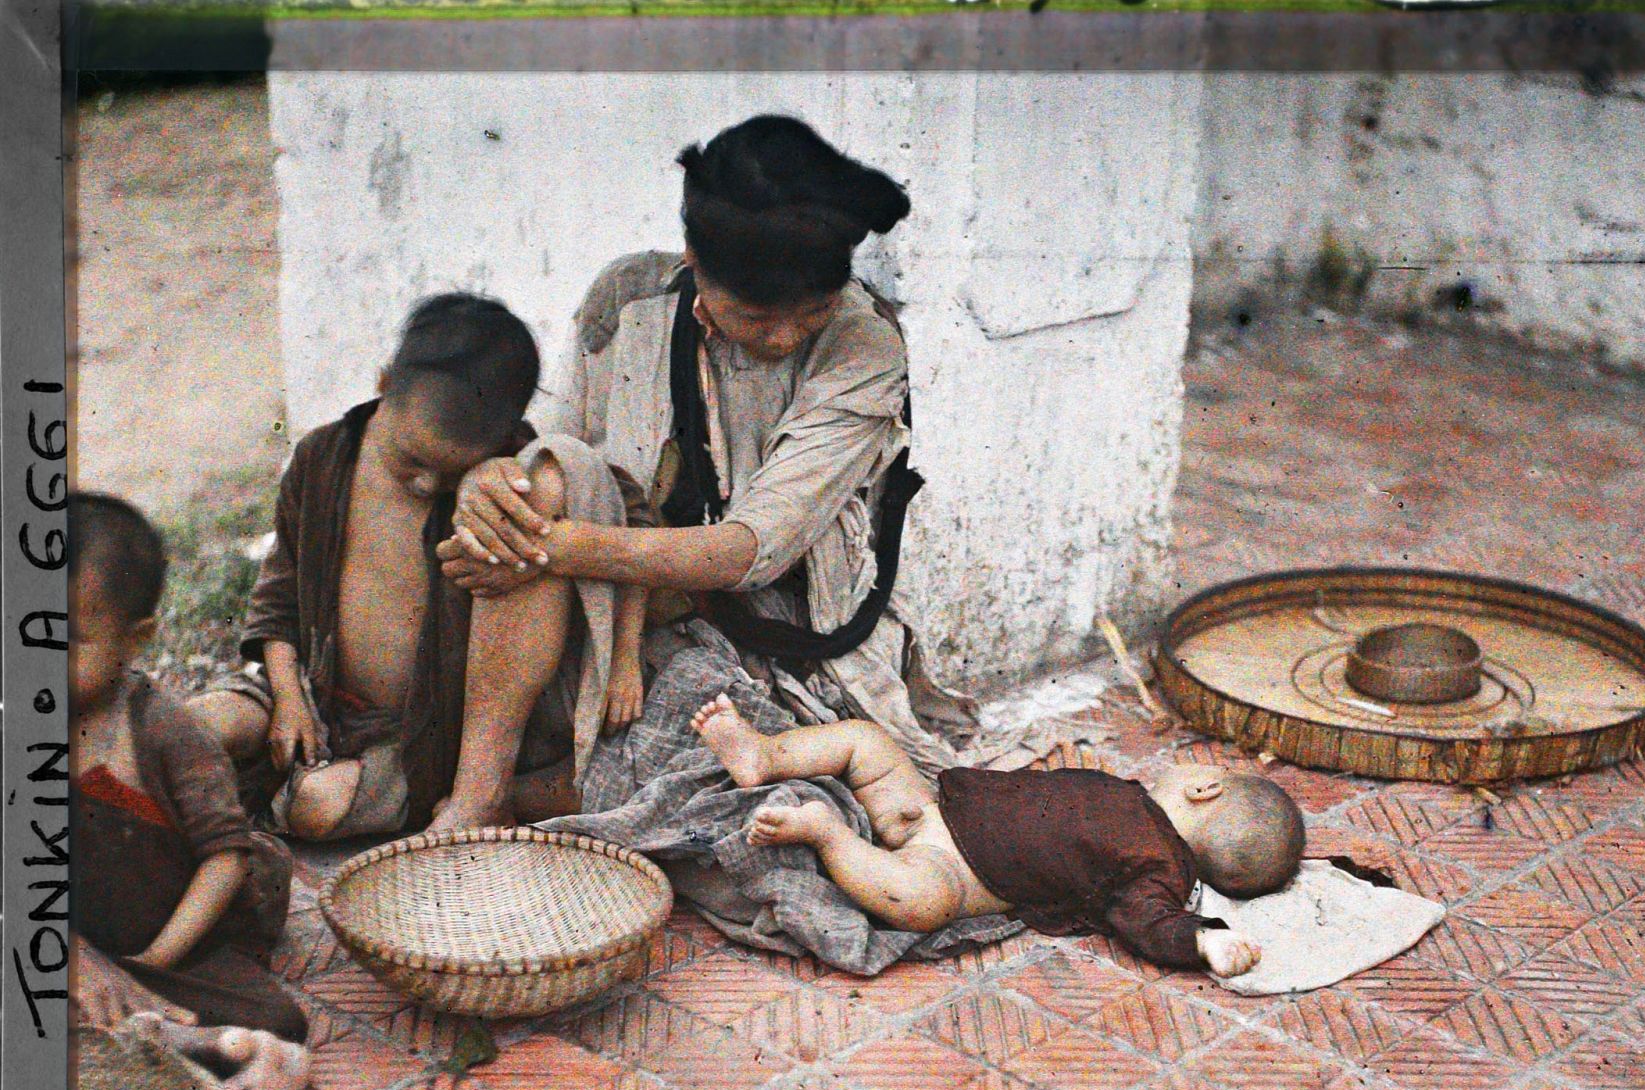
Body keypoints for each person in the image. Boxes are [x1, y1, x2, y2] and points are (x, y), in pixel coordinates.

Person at [425, 114, 974, 839]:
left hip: (776, 646)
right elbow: (554, 446)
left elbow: (749, 551)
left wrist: (539, 549)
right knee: (537, 481)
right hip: (626, 615)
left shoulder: (864, 346)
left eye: (808, 314)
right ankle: (479, 796)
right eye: (755, 315)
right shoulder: (627, 297)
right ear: (692, 260)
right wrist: (489, 489)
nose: (783, 338)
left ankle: (571, 785)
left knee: (794, 825)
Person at [190, 293, 647, 839]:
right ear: (385, 383)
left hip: (410, 739)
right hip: (309, 688)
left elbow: (628, 508)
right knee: (209, 721)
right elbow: (278, 594)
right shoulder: (321, 460)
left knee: (316, 806)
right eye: (413, 462)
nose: (429, 486)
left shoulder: (509, 469)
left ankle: (250, 807)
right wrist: (288, 695)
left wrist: (625, 655)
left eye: (452, 474)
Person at [691, 695, 1302, 977]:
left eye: (1206, 770)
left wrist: (1204, 940)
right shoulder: (1128, 798)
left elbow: (1152, 922)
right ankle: (763, 756)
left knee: (918, 904)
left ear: (1204, 791)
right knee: (868, 742)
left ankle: (828, 836)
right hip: (928, 807)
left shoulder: (1158, 868)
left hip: (953, 874)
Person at [70, 493, 311, 1090]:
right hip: (85, 940)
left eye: (66, 641)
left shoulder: (165, 732)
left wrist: (152, 962)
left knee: (272, 1010)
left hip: (181, 937)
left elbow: (225, 858)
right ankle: (195, 1040)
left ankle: (270, 1058)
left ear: (136, 638)